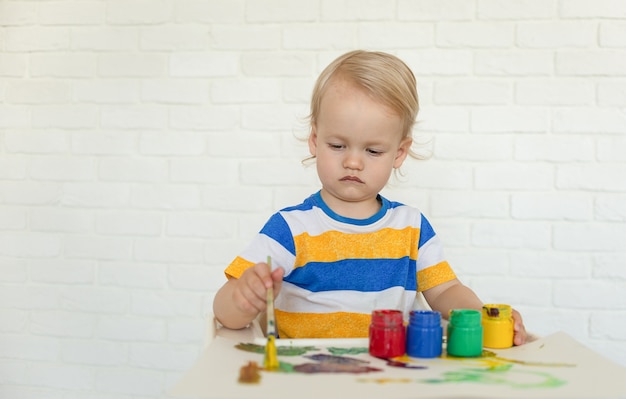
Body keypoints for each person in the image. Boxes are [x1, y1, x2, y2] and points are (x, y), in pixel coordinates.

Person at [213, 50, 527, 345]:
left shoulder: (411, 227)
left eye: (373, 151)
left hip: (390, 378)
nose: (353, 162)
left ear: (399, 153)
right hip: (307, 380)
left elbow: (446, 290)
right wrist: (243, 298)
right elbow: (224, 313)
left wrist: (482, 317)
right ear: (314, 140)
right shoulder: (291, 228)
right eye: (337, 146)